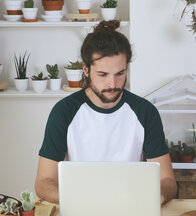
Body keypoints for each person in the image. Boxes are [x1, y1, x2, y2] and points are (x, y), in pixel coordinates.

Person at [35, 20, 177, 205]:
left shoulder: (145, 112)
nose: (112, 84)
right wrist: (83, 200)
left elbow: (167, 181)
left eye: (120, 73)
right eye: (103, 75)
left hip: (130, 206)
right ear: (86, 70)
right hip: (80, 206)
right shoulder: (64, 112)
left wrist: (158, 196)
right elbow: (43, 183)